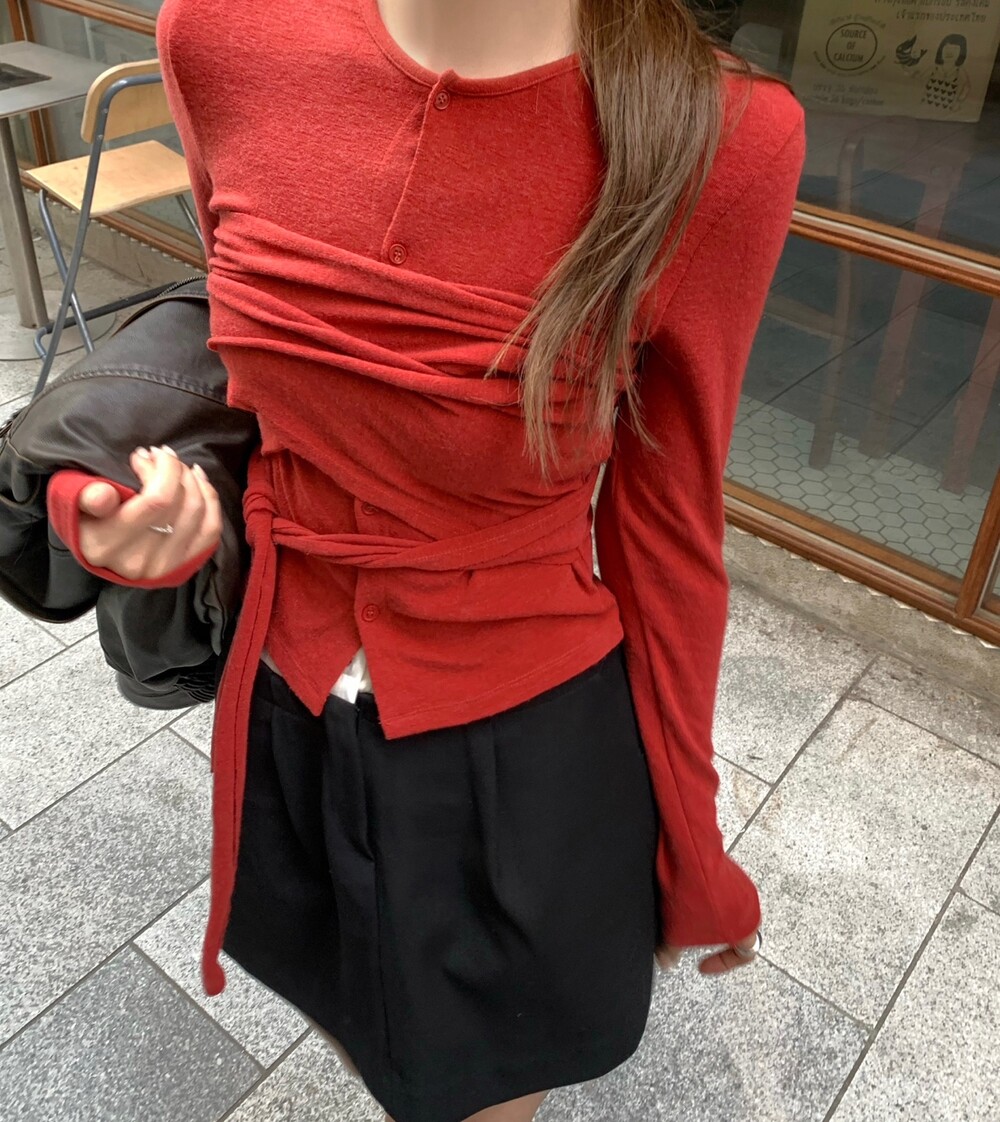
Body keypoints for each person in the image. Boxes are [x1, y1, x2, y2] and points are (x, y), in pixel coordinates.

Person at [46, 1, 805, 1119]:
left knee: (482, 1084)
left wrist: (693, 844)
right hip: (287, 702)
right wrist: (107, 507)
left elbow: (667, 532)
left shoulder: (724, 136)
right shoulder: (220, 34)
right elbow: (251, 366)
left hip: (523, 744)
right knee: (349, 1013)